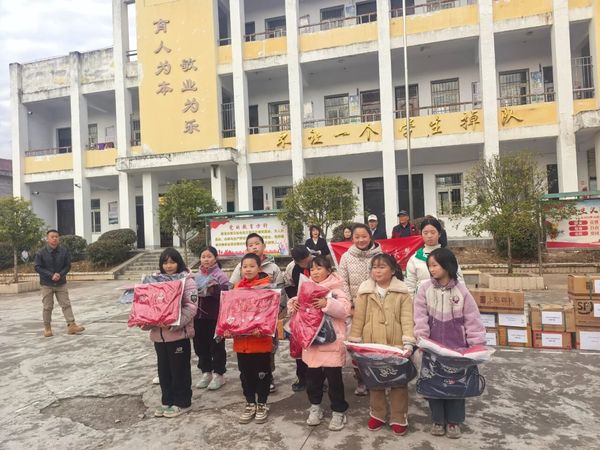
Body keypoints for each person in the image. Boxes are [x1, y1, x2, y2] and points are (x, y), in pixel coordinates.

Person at [413, 248, 485, 439]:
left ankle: (454, 422)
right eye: (429, 266)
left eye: (435, 265)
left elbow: (472, 320)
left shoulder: (462, 290)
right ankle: (438, 420)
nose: (431, 269)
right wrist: (422, 340)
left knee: (456, 385)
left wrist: (476, 344)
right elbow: (420, 316)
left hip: (457, 349)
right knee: (433, 384)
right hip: (432, 348)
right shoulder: (425, 288)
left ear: (448, 265)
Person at [350, 253, 415, 435]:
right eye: (374, 267)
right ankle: (377, 414)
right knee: (375, 380)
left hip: (395, 344)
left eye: (382, 267)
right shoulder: (365, 291)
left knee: (398, 382)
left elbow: (407, 319)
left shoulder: (402, 292)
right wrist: (355, 342)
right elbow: (359, 318)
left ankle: (399, 416)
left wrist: (408, 342)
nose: (377, 271)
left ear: (393, 270)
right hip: (371, 343)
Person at [288, 256, 351, 431]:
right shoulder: (306, 288)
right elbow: (295, 304)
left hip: (331, 344)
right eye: (312, 269)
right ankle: (315, 407)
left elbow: (345, 311)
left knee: (334, 380)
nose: (315, 272)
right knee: (313, 380)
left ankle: (339, 410)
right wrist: (294, 305)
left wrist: (327, 303)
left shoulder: (336, 291)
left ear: (329, 270)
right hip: (312, 344)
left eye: (319, 268)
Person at [229, 232, 284, 393]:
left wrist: (277, 312)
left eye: (257, 244)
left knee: (268, 347)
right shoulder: (240, 266)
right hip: (245, 318)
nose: (254, 247)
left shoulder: (273, 268)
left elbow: (280, 291)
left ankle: (268, 376)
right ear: (246, 248)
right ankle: (250, 379)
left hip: (266, 317)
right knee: (248, 349)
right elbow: (233, 289)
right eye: (250, 245)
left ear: (264, 246)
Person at [148, 248, 198, 419]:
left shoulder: (187, 281)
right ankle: (167, 400)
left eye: (172, 262)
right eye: (165, 262)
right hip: (159, 336)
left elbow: (191, 307)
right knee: (164, 371)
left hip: (178, 335)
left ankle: (182, 402)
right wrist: (146, 321)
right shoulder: (154, 281)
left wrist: (174, 324)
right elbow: (148, 305)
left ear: (179, 262)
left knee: (179, 371)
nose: (168, 266)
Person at [337, 223, 382, 396]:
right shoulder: (346, 257)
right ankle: (361, 380)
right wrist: (350, 305)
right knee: (357, 345)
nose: (361, 240)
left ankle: (377, 379)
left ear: (370, 236)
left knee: (375, 344)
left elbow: (385, 280)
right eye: (357, 237)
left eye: (364, 236)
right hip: (355, 309)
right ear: (352, 238)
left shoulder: (380, 255)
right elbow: (343, 283)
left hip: (377, 307)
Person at [230, 253, 274, 424]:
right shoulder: (236, 289)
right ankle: (250, 403)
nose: (248, 269)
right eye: (245, 266)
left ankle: (262, 403)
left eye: (252, 266)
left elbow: (271, 313)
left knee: (262, 374)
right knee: (245, 374)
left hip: (261, 341)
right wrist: (228, 328)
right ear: (240, 269)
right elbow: (231, 313)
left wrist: (262, 328)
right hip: (242, 343)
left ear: (259, 268)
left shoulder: (267, 288)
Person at [34, 229, 85, 337]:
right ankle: (47, 328)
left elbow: (67, 265)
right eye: (52, 237)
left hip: (61, 283)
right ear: (47, 239)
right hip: (47, 284)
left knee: (66, 304)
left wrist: (60, 274)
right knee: (47, 306)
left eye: (56, 237)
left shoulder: (63, 251)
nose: (55, 239)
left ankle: (71, 325)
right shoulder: (41, 252)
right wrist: (50, 275)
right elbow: (37, 267)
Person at [194, 246, 229, 390]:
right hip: (198, 317)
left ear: (216, 258)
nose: (206, 259)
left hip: (215, 318)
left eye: (209, 256)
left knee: (216, 346)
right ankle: (206, 372)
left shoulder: (220, 275)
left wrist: (214, 289)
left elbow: (226, 295)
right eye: (203, 257)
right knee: (200, 346)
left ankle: (219, 374)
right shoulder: (196, 276)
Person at [283, 245, 315, 392]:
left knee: (316, 345)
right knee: (300, 345)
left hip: (316, 308)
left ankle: (318, 379)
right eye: (302, 263)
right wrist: (295, 300)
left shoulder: (318, 262)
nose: (306, 264)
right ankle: (302, 378)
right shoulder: (291, 268)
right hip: (299, 310)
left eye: (307, 260)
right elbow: (288, 286)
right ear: (295, 261)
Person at [405, 217, 461, 297]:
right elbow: (409, 286)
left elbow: (459, 282)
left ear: (439, 234)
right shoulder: (415, 259)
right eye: (425, 233)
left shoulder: (448, 256)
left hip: (446, 300)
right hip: (422, 301)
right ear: (421, 234)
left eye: (433, 232)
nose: (429, 236)